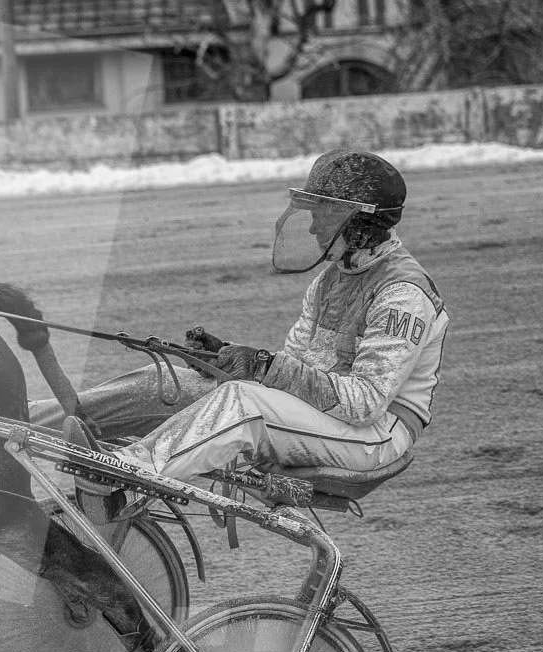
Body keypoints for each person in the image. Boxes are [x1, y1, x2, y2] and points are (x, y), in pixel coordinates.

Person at [68, 149, 449, 522]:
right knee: (175, 383)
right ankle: (41, 418)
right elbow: (297, 373)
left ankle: (126, 471)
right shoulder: (329, 281)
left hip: (376, 436)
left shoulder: (402, 294)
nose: (315, 226)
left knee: (243, 402)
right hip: (337, 420)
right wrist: (229, 360)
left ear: (362, 225)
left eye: (326, 216)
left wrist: (261, 367)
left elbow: (364, 404)